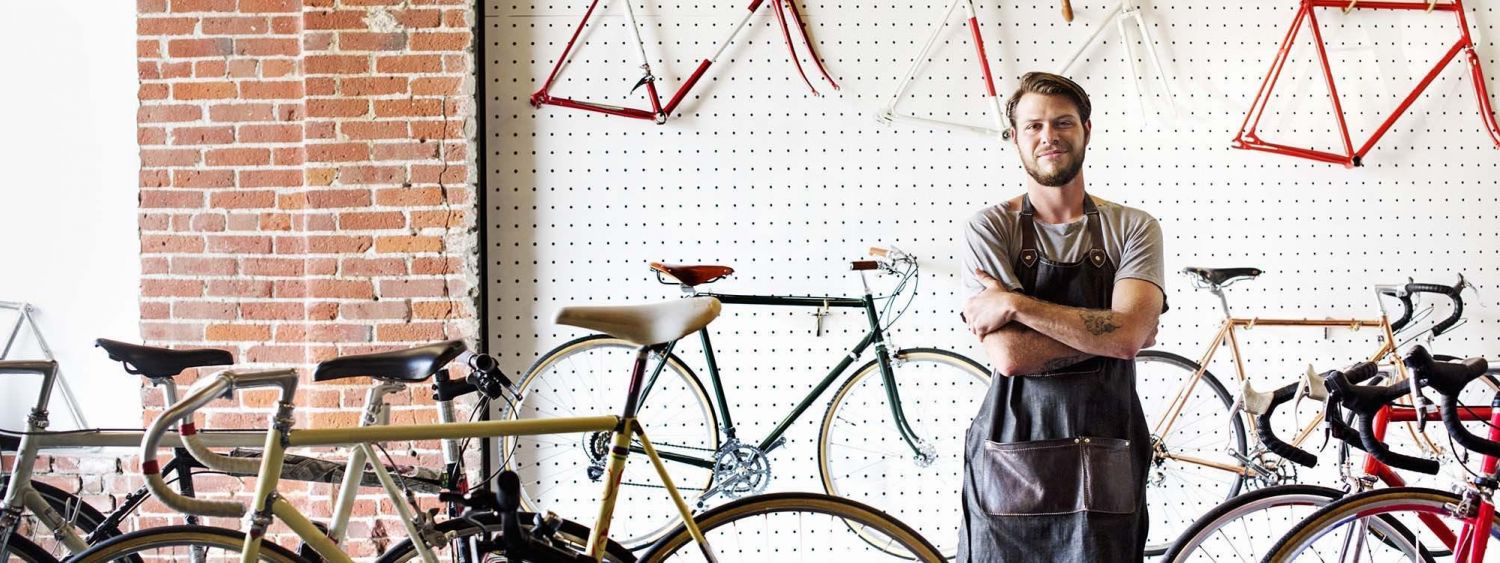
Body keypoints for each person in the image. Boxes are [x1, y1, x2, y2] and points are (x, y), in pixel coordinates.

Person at [957, 71, 1166, 562]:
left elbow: (1130, 335)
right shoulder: (989, 227)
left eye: (1063, 122)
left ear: (1086, 130)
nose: (1048, 136)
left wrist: (1018, 304)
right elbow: (1009, 355)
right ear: (1015, 139)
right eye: (1033, 126)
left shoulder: (1134, 228)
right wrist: (1110, 333)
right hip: (1011, 449)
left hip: (1109, 447)